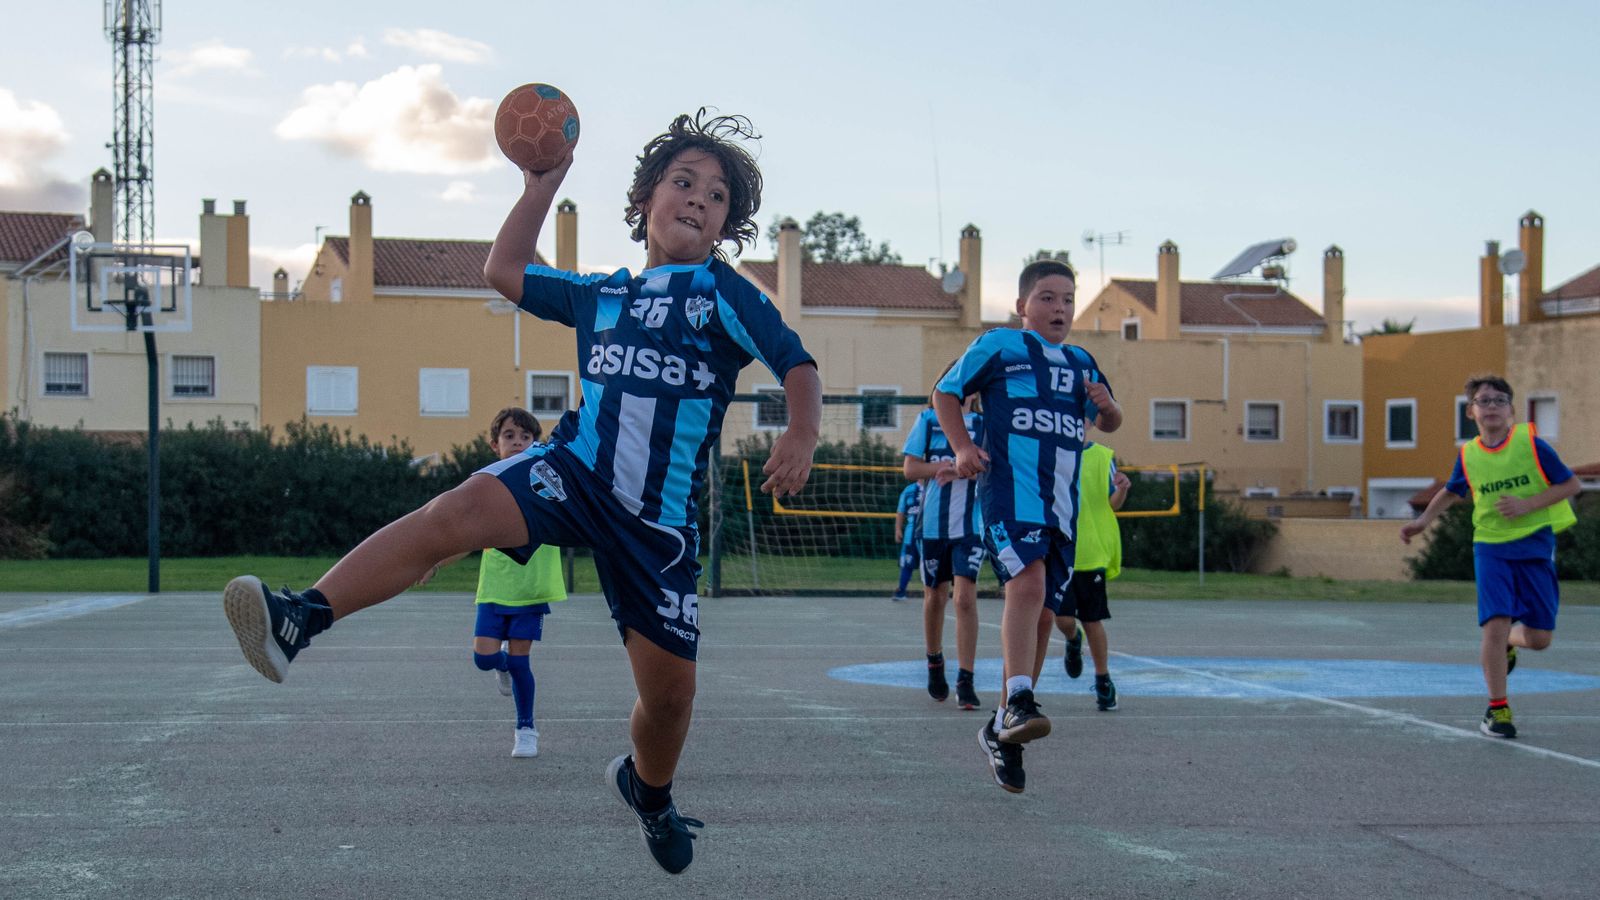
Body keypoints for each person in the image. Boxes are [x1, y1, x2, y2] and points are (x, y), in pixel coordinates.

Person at [221, 110, 821, 874]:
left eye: (717, 196)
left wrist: (800, 433)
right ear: (644, 200)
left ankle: (650, 791)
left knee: (670, 701)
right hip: (573, 474)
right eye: (683, 182)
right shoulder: (600, 296)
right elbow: (503, 270)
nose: (699, 199)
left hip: (657, 524)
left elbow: (795, 363)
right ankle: (299, 618)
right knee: (458, 510)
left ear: (726, 226)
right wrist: (543, 184)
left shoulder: (724, 294)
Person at [935, 258, 1121, 793]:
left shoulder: (1083, 363)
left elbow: (1110, 421)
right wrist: (964, 446)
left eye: (1067, 298)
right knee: (1029, 584)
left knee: (1044, 617)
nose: (1058, 307)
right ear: (1022, 306)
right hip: (1009, 497)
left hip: (1060, 510)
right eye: (1046, 297)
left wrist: (1109, 410)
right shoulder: (1000, 347)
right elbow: (944, 393)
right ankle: (1018, 699)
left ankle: (1001, 729)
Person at [1401, 373, 1579, 739]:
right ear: (1471, 412)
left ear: (1511, 409)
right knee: (1494, 624)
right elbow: (1452, 491)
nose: (1492, 406)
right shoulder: (1469, 455)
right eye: (1484, 401)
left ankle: (1513, 644)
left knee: (1541, 638)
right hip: (1491, 547)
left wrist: (1528, 504)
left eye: (1500, 400)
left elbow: (1571, 484)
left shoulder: (1532, 446)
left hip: (1534, 546)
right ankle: (1497, 711)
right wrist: (1422, 521)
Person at [417, 407, 566, 758]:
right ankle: (501, 665)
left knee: (521, 661)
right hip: (495, 591)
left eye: (525, 437)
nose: (517, 443)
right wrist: (435, 563)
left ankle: (526, 729)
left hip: (531, 591)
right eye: (509, 437)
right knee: (483, 659)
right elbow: (467, 540)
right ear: (494, 445)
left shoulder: (546, 484)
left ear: (536, 442)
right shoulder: (488, 489)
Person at [902, 391, 985, 710]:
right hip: (934, 524)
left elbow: (994, 464)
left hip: (971, 526)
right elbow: (910, 469)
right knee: (935, 596)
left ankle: (966, 679)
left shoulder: (983, 424)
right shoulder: (928, 420)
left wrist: (965, 466)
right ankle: (934, 662)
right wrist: (946, 464)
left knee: (964, 598)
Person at [1052, 437, 1130, 712]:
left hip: (1092, 550)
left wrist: (1121, 490)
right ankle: (1073, 639)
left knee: (1093, 619)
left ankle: (1103, 679)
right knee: (1061, 618)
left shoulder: (1102, 456)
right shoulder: (1053, 448)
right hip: (1062, 548)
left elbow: (1113, 502)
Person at [891, 481, 923, 602]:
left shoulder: (935, 487)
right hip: (911, 535)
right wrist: (898, 529)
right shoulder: (909, 490)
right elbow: (900, 511)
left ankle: (936, 592)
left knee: (932, 564)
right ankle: (901, 590)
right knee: (907, 563)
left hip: (930, 534)